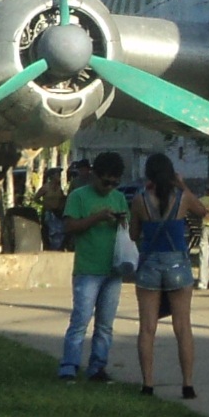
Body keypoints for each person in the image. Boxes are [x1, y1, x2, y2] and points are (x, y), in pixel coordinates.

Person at [130, 152, 209, 398]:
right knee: (182, 326)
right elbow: (203, 211)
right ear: (171, 173)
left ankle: (148, 384)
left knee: (147, 328)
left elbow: (133, 235)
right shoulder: (182, 198)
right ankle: (187, 384)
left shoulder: (139, 200)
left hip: (150, 264)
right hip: (178, 265)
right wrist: (182, 184)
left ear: (149, 175)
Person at [58, 152, 129, 381]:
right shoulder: (79, 196)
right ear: (94, 176)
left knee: (105, 325)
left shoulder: (119, 198)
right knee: (80, 320)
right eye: (105, 181)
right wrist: (97, 218)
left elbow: (127, 229)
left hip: (113, 268)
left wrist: (121, 221)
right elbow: (69, 226)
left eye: (114, 183)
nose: (109, 187)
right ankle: (69, 365)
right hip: (88, 268)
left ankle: (97, 366)